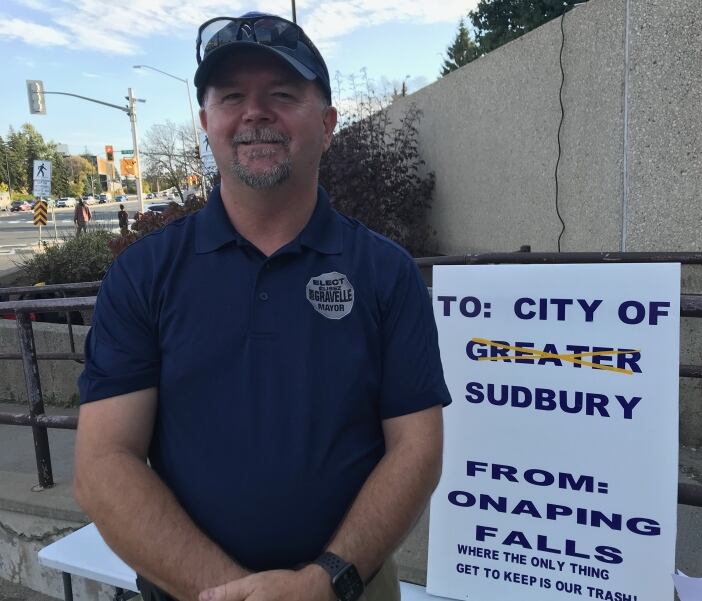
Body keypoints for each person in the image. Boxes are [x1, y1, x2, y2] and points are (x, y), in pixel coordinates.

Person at [74, 11, 451, 601]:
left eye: (281, 93)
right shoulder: (143, 275)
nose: (254, 112)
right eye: (232, 96)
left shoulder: (386, 273)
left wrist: (327, 579)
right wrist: (230, 593)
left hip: (351, 587)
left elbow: (417, 447)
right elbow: (103, 463)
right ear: (207, 123)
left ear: (327, 124)